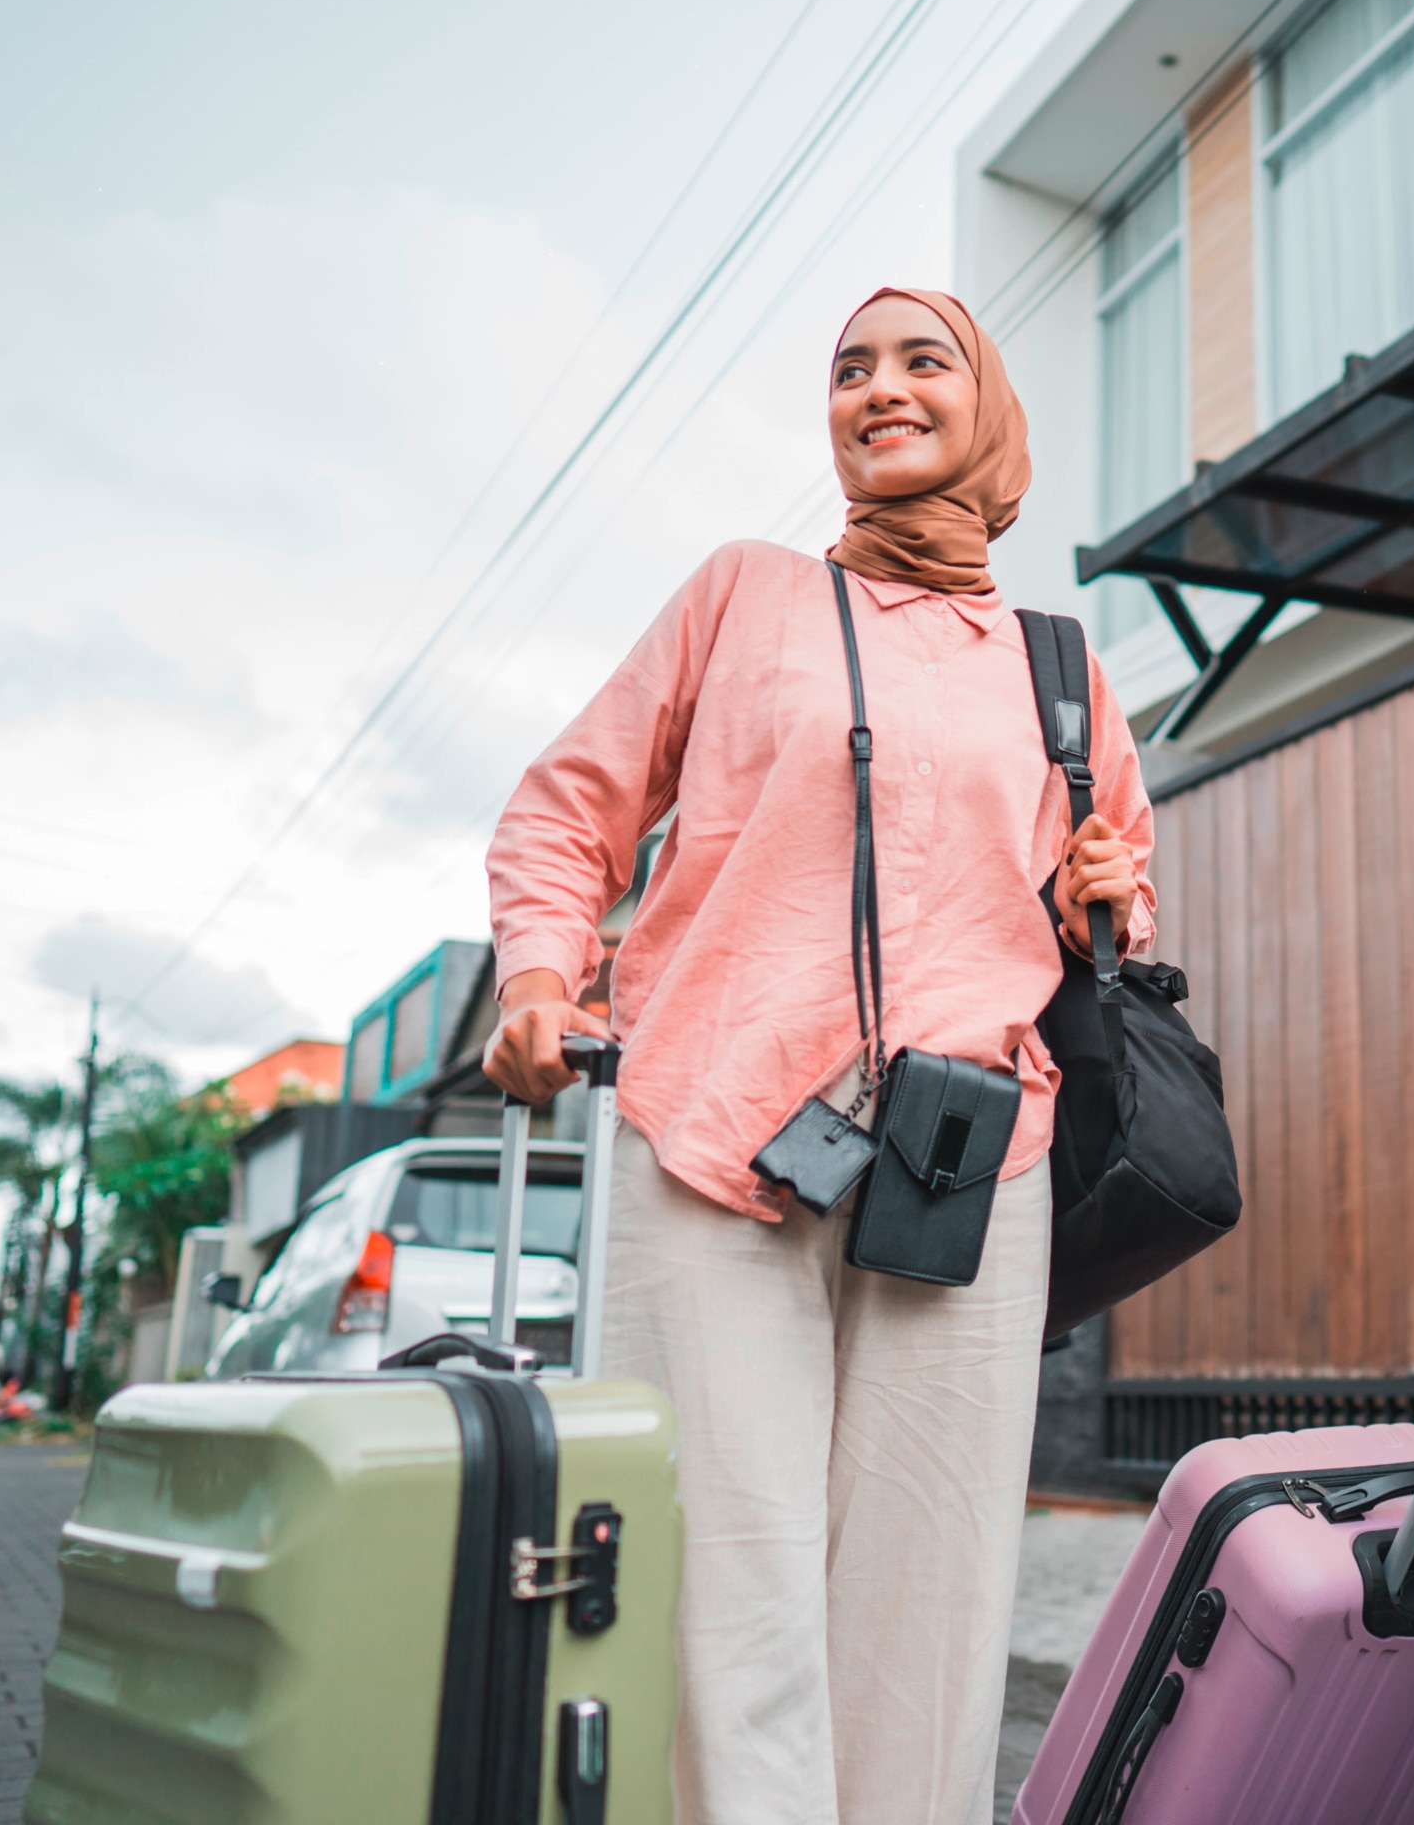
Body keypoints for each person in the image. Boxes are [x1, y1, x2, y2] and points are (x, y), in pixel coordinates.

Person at [480, 287, 1154, 1825]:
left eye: (924, 362)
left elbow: (1108, 901)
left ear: (986, 407)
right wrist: (539, 970)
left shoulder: (1061, 668)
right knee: (730, 1596)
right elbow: (564, 809)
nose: (880, 389)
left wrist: (1108, 902)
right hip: (715, 1133)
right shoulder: (745, 596)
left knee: (931, 1618)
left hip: (968, 1162)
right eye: (851, 369)